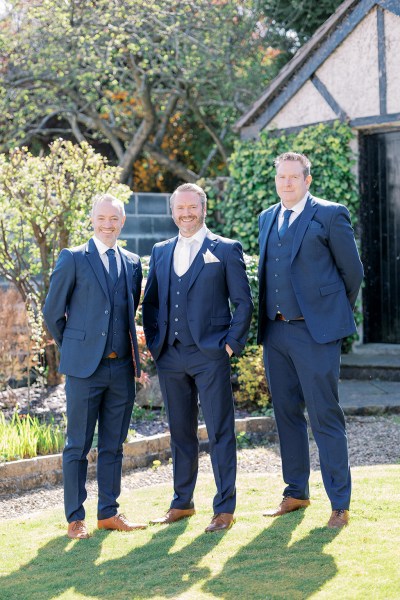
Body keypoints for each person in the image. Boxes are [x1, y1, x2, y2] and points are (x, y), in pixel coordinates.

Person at [258, 152, 363, 528]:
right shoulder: (267, 218)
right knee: (286, 415)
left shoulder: (330, 214)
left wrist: (326, 315)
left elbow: (352, 272)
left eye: (293, 177)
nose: (286, 183)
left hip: (315, 334)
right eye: (281, 177)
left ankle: (340, 503)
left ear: (307, 180)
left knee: (324, 416)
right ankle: (296, 492)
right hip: (276, 331)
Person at [142, 183, 253, 533]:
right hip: (170, 356)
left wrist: (231, 344)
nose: (186, 214)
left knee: (221, 431)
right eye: (180, 208)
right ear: (172, 212)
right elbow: (152, 302)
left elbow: (244, 302)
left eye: (193, 208)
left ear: (204, 209)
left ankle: (223, 508)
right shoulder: (160, 250)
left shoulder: (225, 249)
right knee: (180, 432)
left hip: (211, 354)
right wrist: (156, 344)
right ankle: (182, 502)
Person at [43, 193, 147, 539]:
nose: (107, 224)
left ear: (122, 222)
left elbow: (129, 314)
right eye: (102, 218)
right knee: (77, 445)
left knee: (114, 445)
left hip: (121, 369)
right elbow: (52, 313)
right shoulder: (72, 258)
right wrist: (75, 347)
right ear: (92, 220)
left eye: (114, 219)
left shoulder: (132, 262)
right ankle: (75, 518)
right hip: (84, 370)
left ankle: (109, 513)